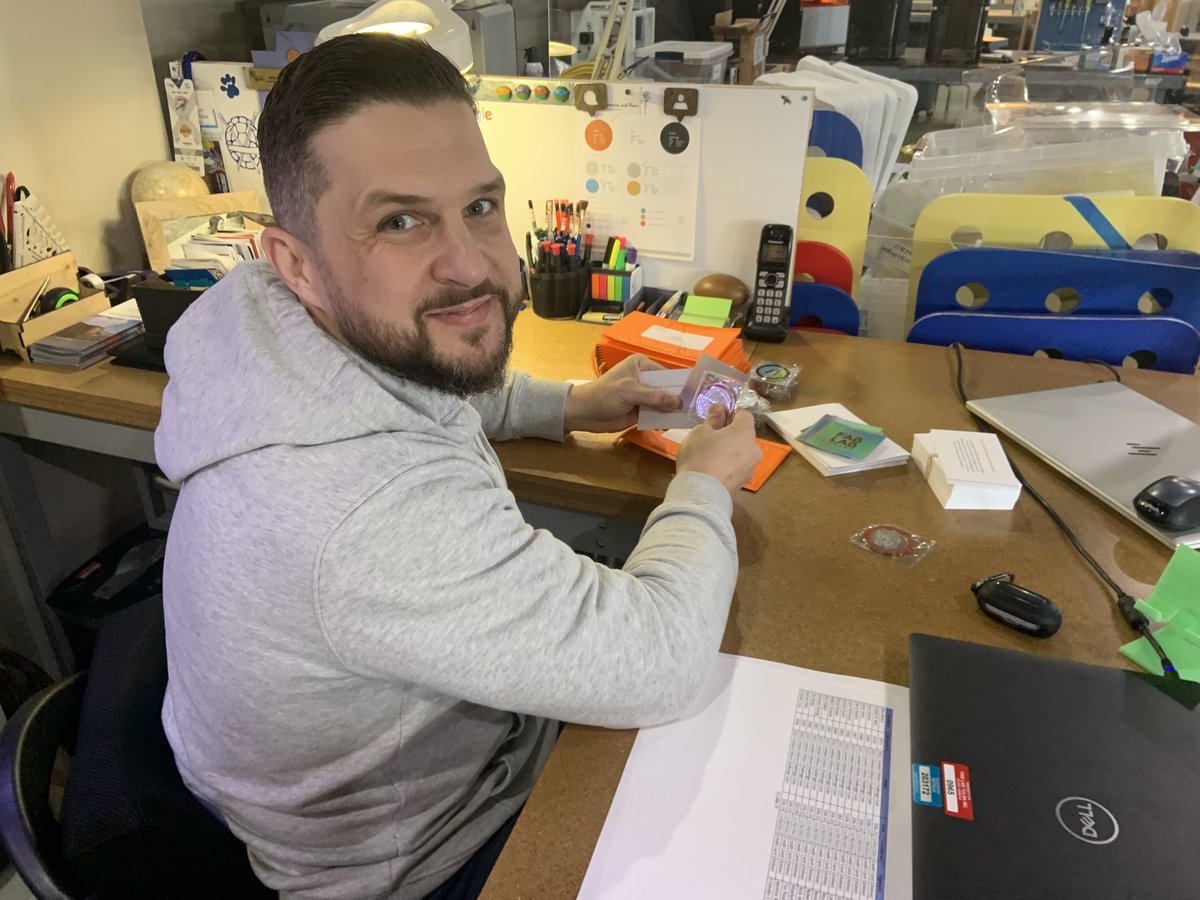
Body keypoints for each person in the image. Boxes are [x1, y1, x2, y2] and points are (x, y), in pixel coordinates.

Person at [155, 34, 760, 900]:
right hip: (418, 861)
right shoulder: (365, 511)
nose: (471, 263)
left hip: (389, 780)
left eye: (480, 205)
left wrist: (570, 405)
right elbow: (661, 661)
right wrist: (703, 482)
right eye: (399, 222)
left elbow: (408, 382)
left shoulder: (264, 320)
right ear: (295, 262)